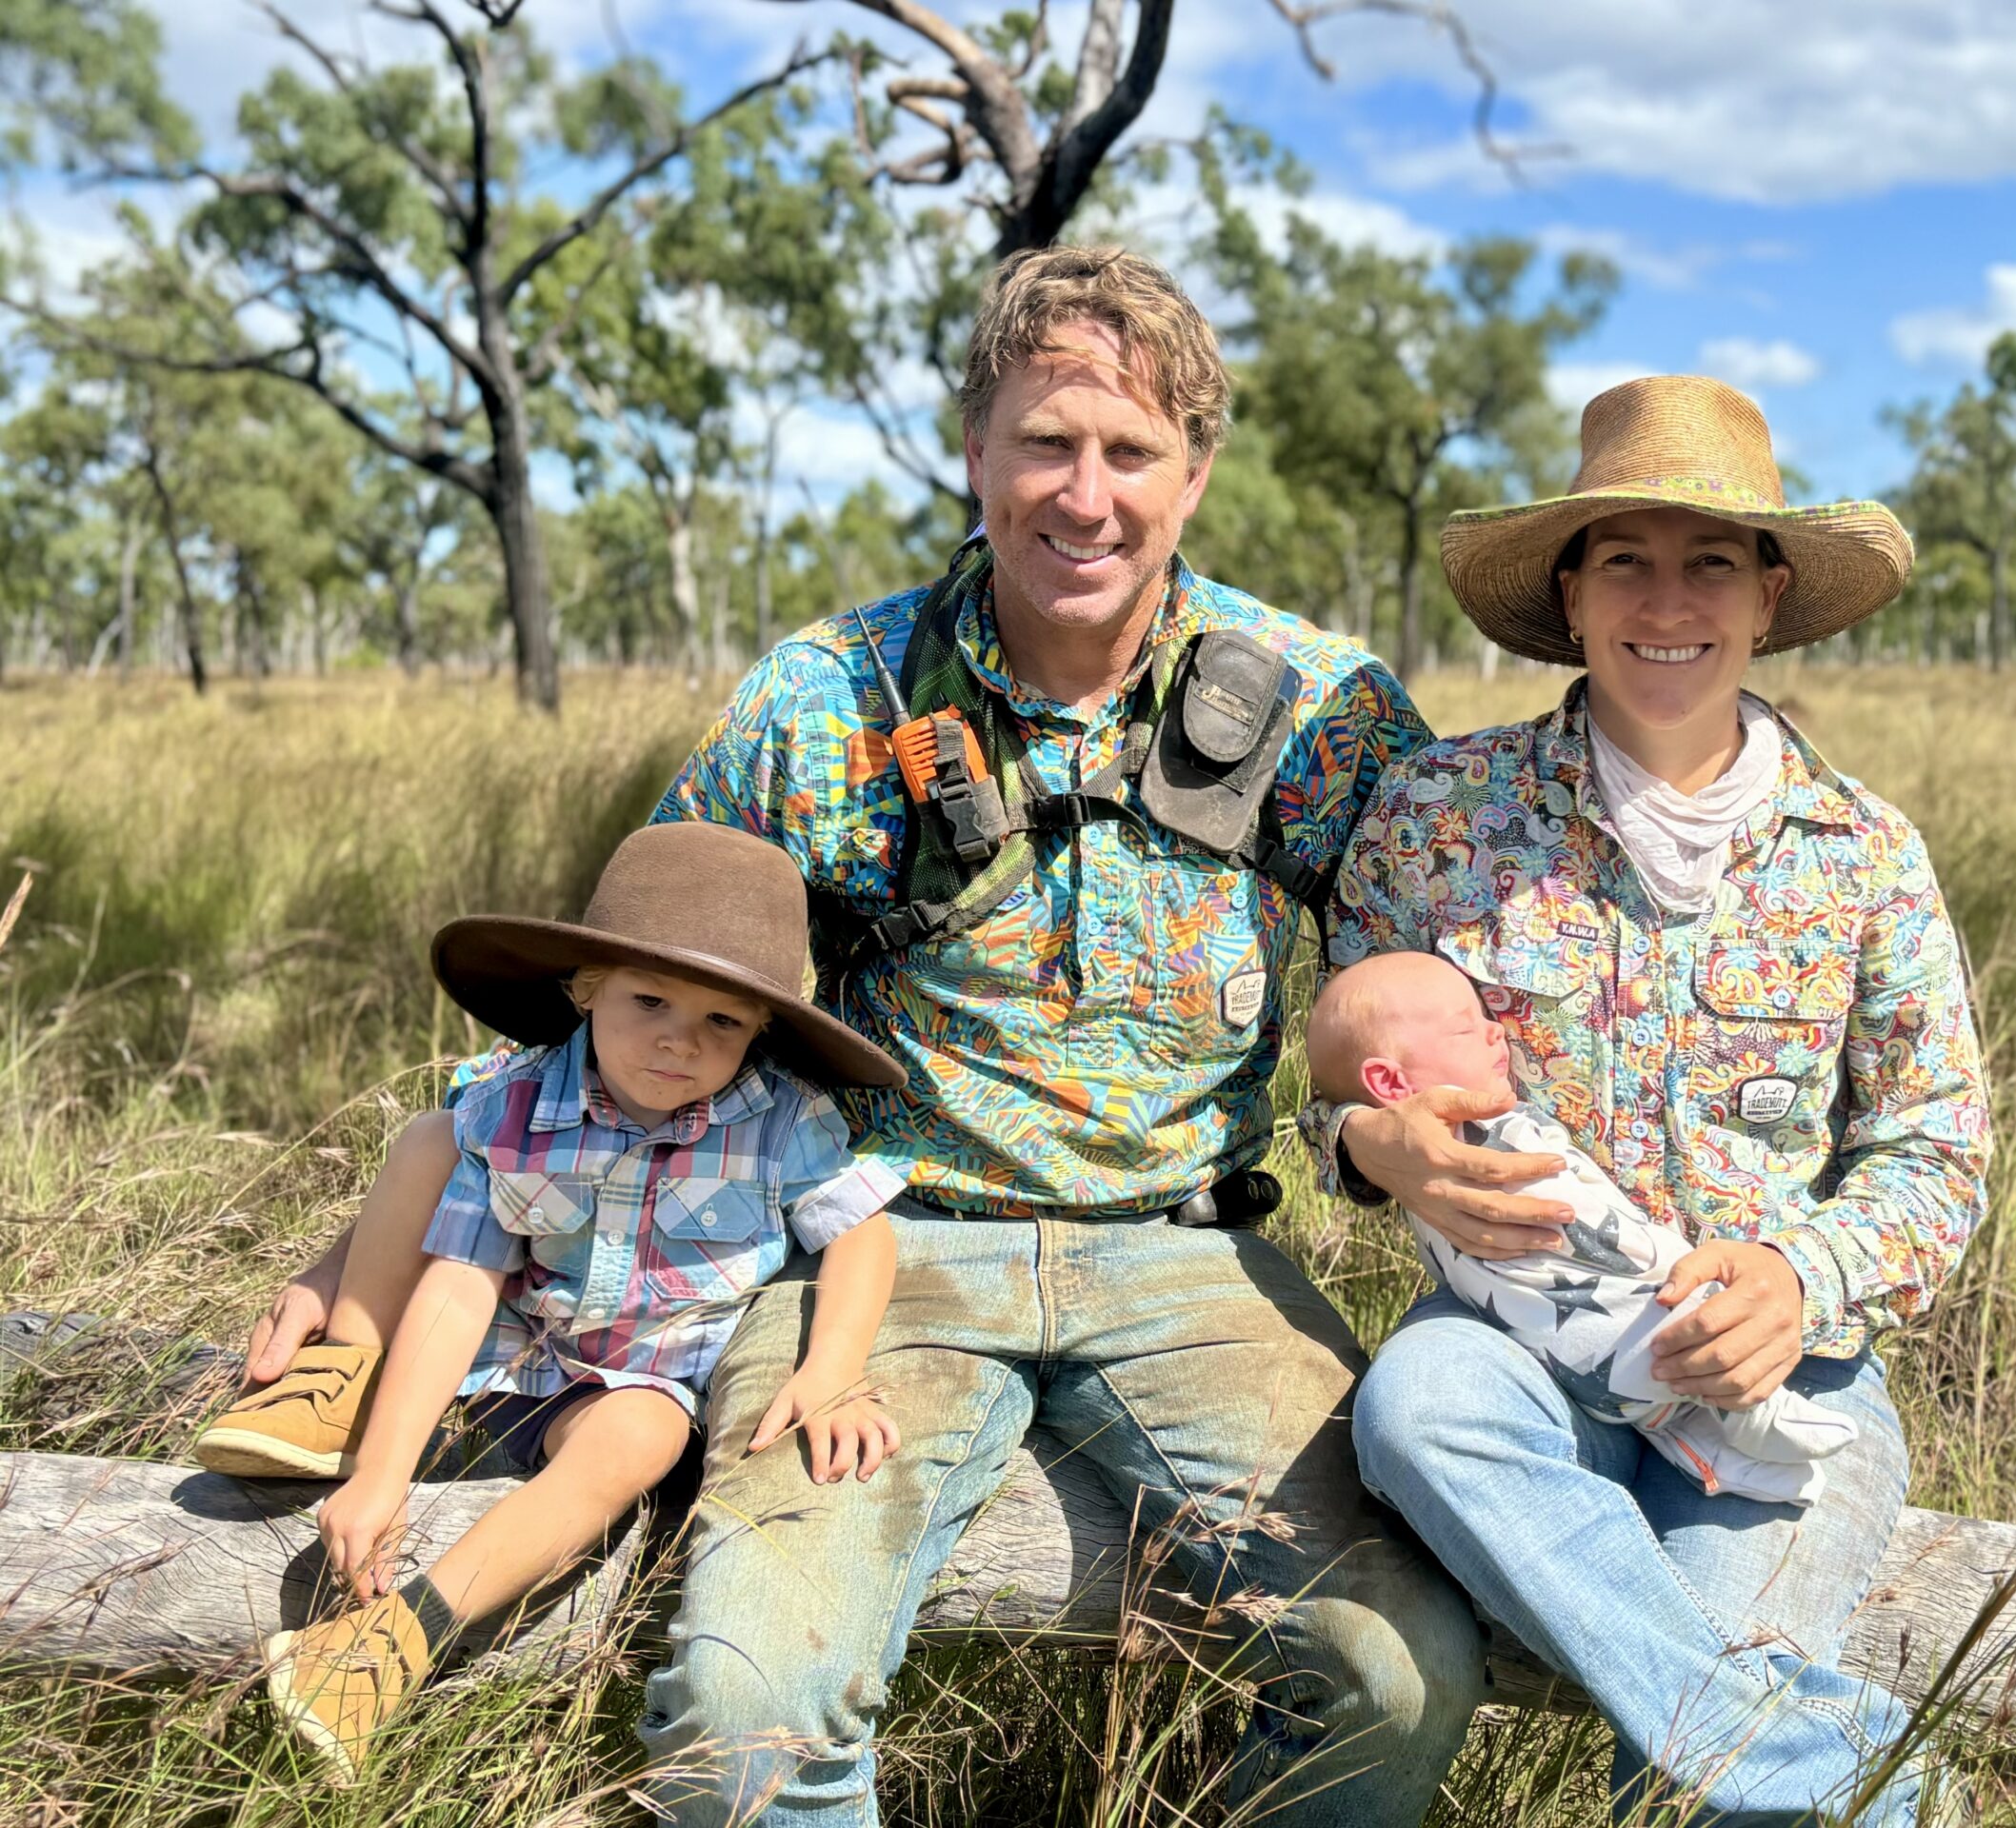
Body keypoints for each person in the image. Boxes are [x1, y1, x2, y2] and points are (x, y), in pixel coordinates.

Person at [231, 246, 1484, 1826]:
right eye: (1042, 442)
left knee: (1397, 1671)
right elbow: (641, 983)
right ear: (974, 450)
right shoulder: (831, 697)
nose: (1081, 495)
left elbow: (1441, 987)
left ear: (1198, 470)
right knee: (745, 1717)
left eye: (1129, 452)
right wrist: (360, 1274)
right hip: (876, 1259)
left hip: (1198, 1264)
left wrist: (1441, 1146)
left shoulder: (1318, 705)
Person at [1315, 375, 1991, 1824]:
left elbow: (1939, 1153)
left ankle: (1745, 1749)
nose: (1666, 600)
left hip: (1775, 1382)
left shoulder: (1862, 851)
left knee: (1678, 1790)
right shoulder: (1440, 818)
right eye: (1625, 557)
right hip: (1518, 1343)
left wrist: (1799, 1280)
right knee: (1413, 1404)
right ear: (1569, 593)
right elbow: (1340, 1081)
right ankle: (1860, 1773)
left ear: (1769, 594)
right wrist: (1378, 1146)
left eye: (1709, 562)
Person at [192, 821, 909, 1782]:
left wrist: (831, 1369)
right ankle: (341, 1383)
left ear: (760, 1031)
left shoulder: (780, 1120)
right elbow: (460, 1279)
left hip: (637, 1377)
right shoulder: (519, 1105)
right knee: (424, 1138)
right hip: (498, 1355)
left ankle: (381, 1650)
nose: (679, 1040)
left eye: (722, 1023)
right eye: (649, 1000)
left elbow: (858, 1232)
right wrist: (384, 1477)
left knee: (645, 1436)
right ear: (585, 990)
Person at [1305, 948, 1856, 1506]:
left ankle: (1711, 1452)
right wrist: (1353, 1131)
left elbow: (1936, 1137)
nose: (1498, 1031)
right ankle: (1755, 1414)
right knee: (1415, 1409)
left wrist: (1799, 1271)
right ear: (1389, 1083)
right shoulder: (1499, 1136)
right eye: (1467, 1027)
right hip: (1646, 1329)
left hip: (1639, 1357)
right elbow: (1597, 1229)